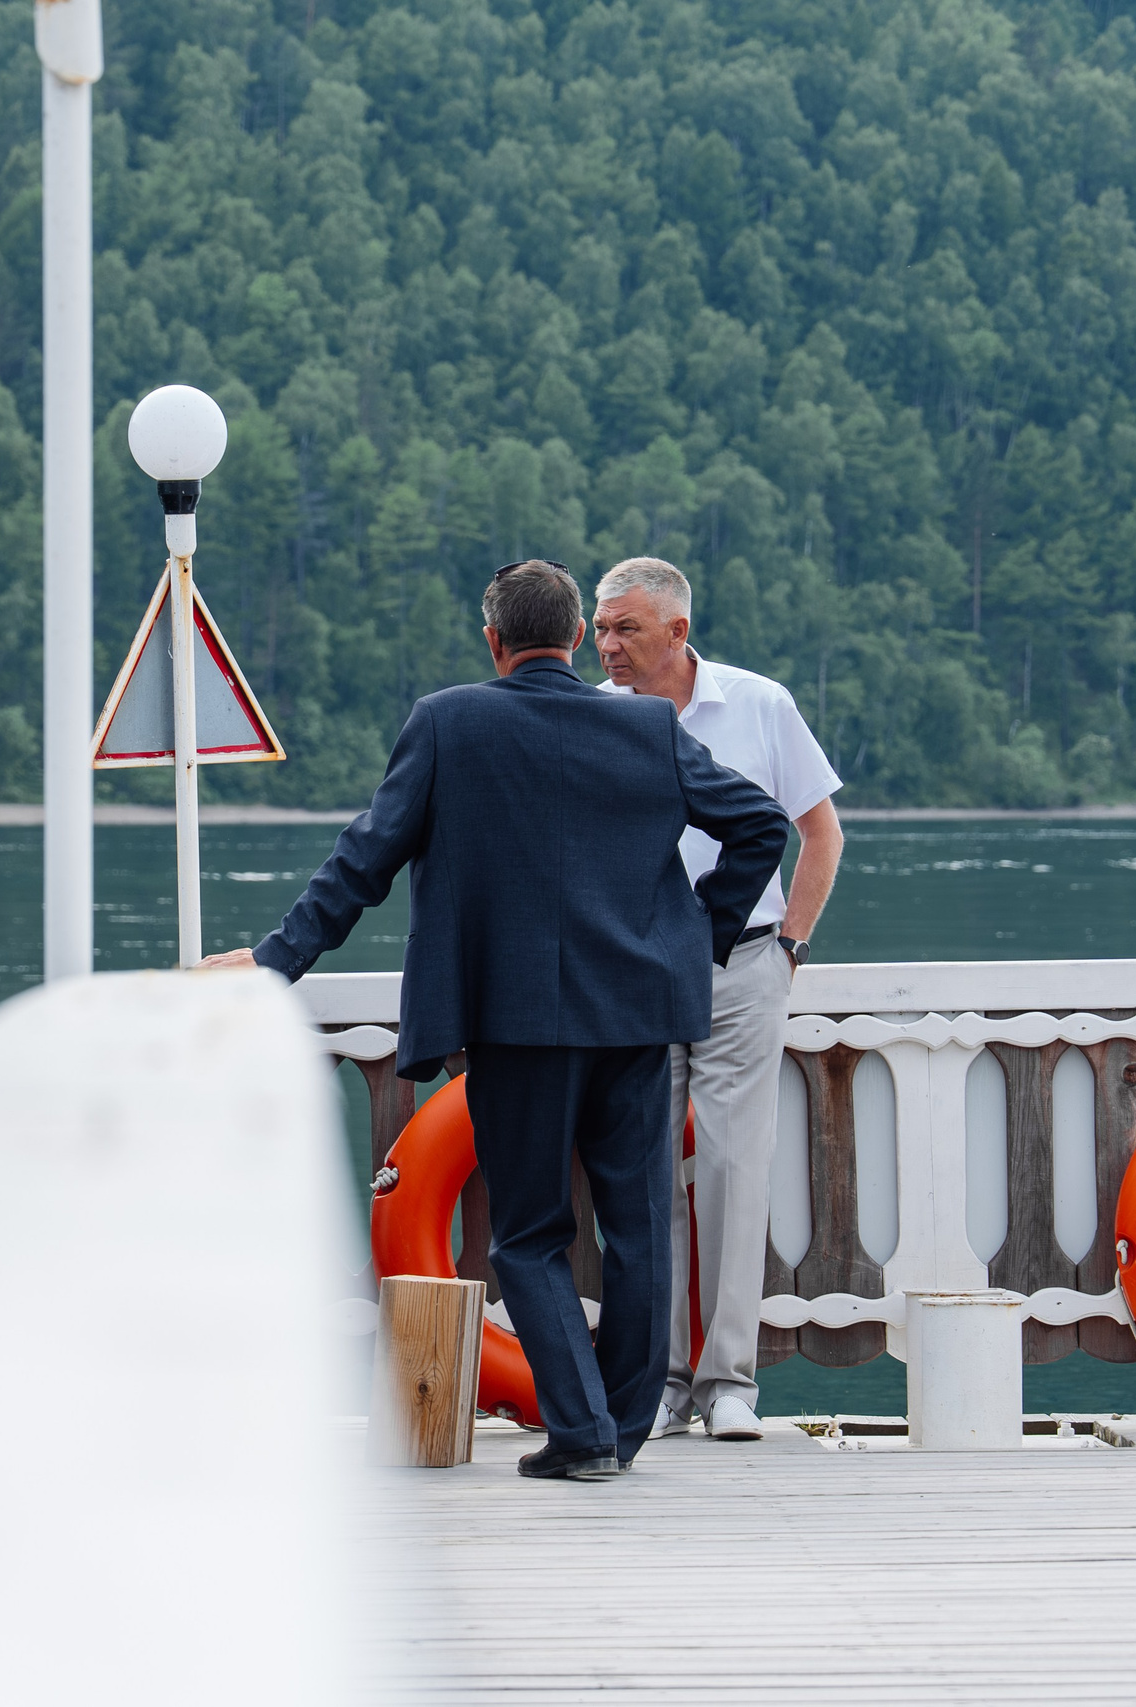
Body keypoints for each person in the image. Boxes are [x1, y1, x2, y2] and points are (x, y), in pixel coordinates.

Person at [202, 562, 788, 1481]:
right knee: (638, 1232)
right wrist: (692, 941)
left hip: (516, 1026)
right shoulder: (648, 724)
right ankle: (621, 1428)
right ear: (575, 636)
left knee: (528, 1236)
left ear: (493, 641)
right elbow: (763, 825)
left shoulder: (448, 721)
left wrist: (276, 958)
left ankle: (584, 1433)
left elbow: (364, 860)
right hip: (637, 1018)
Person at [591, 556, 844, 1443]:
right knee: (644, 1175)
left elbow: (819, 832)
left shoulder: (761, 704)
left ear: (678, 630)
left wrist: (791, 946)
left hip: (744, 963)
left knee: (736, 1170)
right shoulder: (597, 716)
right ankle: (659, 1383)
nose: (607, 643)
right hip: (636, 970)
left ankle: (729, 1380)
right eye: (601, 626)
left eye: (625, 627)